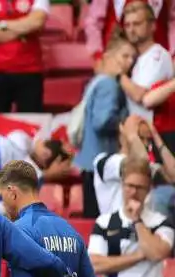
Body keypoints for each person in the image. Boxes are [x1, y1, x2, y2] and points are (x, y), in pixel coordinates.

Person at [88, 157, 174, 277]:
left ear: (149, 189)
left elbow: (157, 252)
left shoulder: (161, 222)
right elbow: (94, 265)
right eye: (129, 186)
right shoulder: (105, 222)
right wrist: (138, 256)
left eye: (140, 187)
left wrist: (137, 221)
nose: (134, 192)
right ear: (122, 185)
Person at [75, 34, 136, 218]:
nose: (129, 62)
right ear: (108, 57)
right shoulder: (109, 85)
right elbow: (102, 121)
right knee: (100, 224)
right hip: (101, 165)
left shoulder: (97, 82)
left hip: (91, 163)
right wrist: (124, 123)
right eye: (124, 56)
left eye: (132, 57)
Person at [0, 0, 49, 113]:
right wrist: (22, 31)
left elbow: (37, 22)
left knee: (32, 123)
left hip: (30, 71)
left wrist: (2, 24)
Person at [120, 2, 173, 122]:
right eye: (127, 25)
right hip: (136, 134)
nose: (131, 30)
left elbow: (140, 96)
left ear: (153, 26)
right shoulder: (135, 58)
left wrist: (118, 75)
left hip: (154, 134)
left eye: (137, 24)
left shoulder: (158, 56)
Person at [85, 0, 175, 61]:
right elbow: (94, 22)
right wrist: (98, 55)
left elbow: (173, 20)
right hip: (117, 58)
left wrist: (173, 54)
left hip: (156, 57)